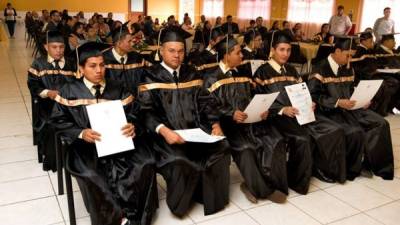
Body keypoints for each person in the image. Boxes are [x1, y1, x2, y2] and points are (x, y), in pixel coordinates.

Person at [50, 42, 158, 225]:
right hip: (86, 147)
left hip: (119, 143)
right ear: (81, 68)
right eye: (93, 66)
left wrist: (133, 126)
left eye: (102, 65)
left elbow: (136, 112)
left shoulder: (118, 88)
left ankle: (135, 217)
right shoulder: (69, 91)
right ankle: (115, 218)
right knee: (94, 174)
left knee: (145, 162)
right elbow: (57, 121)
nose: (99, 70)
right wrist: (81, 132)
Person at [137, 27, 231, 216]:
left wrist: (215, 124)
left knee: (221, 148)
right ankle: (179, 205)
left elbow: (205, 101)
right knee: (179, 160)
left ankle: (208, 197)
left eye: (181, 51)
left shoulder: (192, 73)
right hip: (165, 136)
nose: (177, 55)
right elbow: (145, 112)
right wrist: (164, 131)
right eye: (171, 51)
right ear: (161, 50)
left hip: (196, 130)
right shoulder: (149, 75)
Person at [254, 31, 349, 187]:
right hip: (277, 117)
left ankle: (322, 169)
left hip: (300, 113)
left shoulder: (292, 70)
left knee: (334, 129)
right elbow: (259, 102)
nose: (286, 54)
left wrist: (309, 102)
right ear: (273, 50)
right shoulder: (261, 72)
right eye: (282, 50)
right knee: (303, 138)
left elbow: (302, 92)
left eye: (289, 50)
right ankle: (297, 179)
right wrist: (282, 109)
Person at [201, 35, 288, 203]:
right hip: (229, 125)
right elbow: (207, 106)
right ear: (226, 55)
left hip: (251, 121)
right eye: (238, 52)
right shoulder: (211, 78)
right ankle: (260, 189)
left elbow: (254, 96)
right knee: (246, 148)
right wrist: (230, 113)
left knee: (274, 139)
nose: (242, 56)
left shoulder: (243, 73)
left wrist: (262, 110)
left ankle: (272, 183)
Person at [308, 37, 394, 180]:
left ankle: (374, 165)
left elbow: (353, 89)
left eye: (351, 56)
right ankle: (353, 169)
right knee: (355, 131)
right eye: (348, 55)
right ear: (337, 51)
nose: (350, 59)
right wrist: (337, 102)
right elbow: (313, 96)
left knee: (381, 123)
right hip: (330, 111)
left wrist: (363, 99)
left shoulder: (348, 68)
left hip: (352, 107)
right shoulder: (320, 68)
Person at [27, 30, 76, 171]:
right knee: (52, 125)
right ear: (46, 47)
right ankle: (55, 161)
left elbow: (78, 83)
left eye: (61, 47)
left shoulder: (72, 64)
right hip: (48, 107)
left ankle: (75, 159)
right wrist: (48, 93)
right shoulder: (38, 64)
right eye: (54, 47)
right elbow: (33, 85)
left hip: (69, 106)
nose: (58, 50)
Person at [352, 31, 399, 116]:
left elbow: (375, 63)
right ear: (363, 41)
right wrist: (373, 71)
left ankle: (386, 107)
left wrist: (382, 68)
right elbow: (357, 68)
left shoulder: (369, 50)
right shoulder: (358, 51)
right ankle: (378, 110)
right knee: (384, 84)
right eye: (370, 41)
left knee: (393, 82)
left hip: (373, 74)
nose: (373, 43)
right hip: (364, 77)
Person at [103, 27, 147, 95]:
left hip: (135, 101)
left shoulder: (137, 58)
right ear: (118, 43)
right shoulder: (103, 59)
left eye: (132, 41)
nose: (132, 44)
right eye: (129, 41)